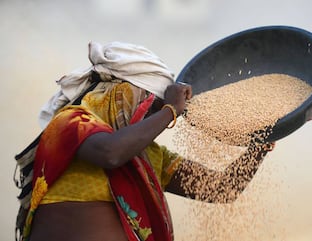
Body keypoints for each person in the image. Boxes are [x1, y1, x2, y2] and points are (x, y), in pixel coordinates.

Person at [17, 42, 275, 241]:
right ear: (117, 92)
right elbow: (110, 153)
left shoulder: (148, 155)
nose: (149, 113)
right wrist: (171, 110)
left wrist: (263, 140)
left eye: (154, 108)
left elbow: (223, 188)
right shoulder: (70, 121)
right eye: (148, 103)